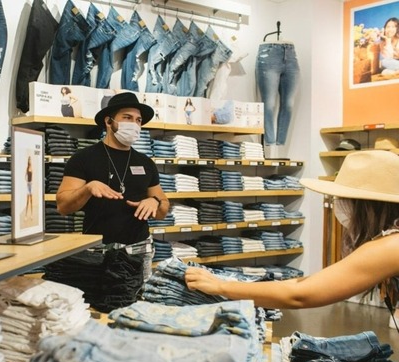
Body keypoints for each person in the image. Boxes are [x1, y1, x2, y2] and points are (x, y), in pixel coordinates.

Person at [185, 150, 399, 311]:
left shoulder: (390, 246)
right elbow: (301, 286)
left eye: (346, 201)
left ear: (368, 206)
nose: (341, 207)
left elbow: (300, 294)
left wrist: (222, 286)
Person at [56, 92, 170, 278]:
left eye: (138, 120)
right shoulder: (83, 159)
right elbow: (62, 206)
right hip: (98, 251)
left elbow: (163, 208)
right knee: (96, 303)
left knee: (138, 302)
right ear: (109, 122)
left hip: (139, 251)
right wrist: (87, 189)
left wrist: (155, 202)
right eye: (127, 118)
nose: (134, 124)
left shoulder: (146, 163)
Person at [25, 155, 33, 221]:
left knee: (31, 200)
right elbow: (25, 176)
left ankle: (31, 215)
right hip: (28, 184)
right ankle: (26, 215)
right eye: (29, 160)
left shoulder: (32, 168)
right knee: (27, 200)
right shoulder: (27, 168)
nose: (30, 161)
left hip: (31, 184)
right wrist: (27, 182)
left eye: (30, 160)